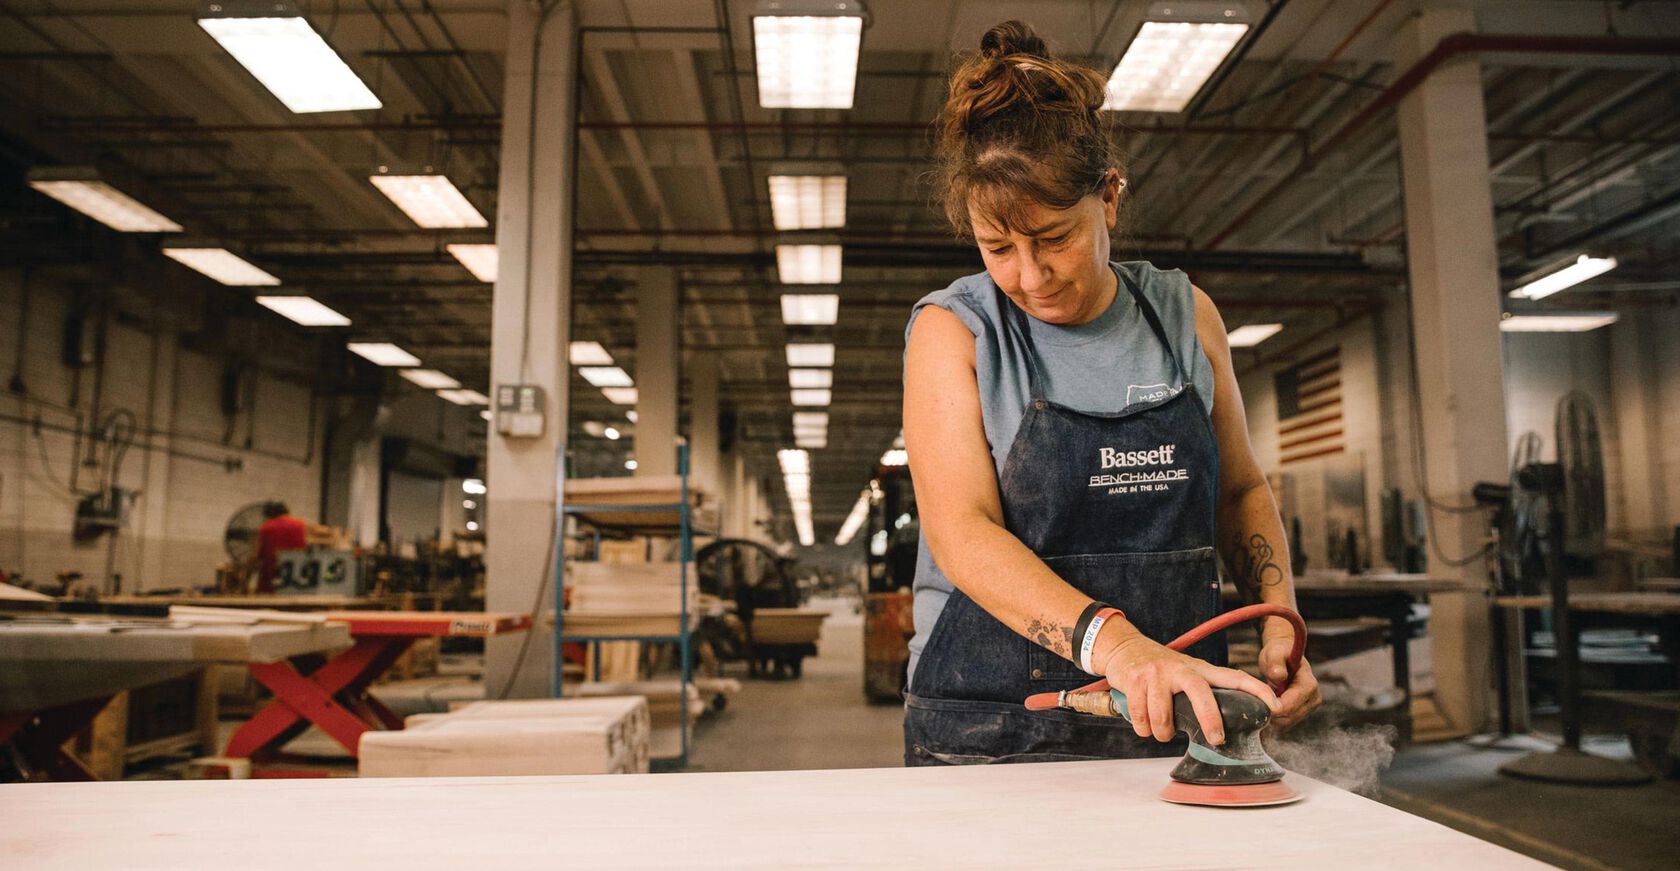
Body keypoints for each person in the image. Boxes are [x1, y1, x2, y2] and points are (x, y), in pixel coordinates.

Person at [901, 21, 1320, 766]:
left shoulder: (1184, 315)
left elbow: (1241, 490)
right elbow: (961, 532)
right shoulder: (955, 332)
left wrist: (1279, 613)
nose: (1030, 275)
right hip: (990, 728)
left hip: (1179, 715)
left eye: (1054, 237)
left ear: (1110, 198)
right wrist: (1121, 647)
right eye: (999, 248)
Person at [253, 501, 309, 594]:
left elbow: (256, 554)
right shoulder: (300, 525)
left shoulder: (265, 527)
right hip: (296, 580)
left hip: (271, 580)